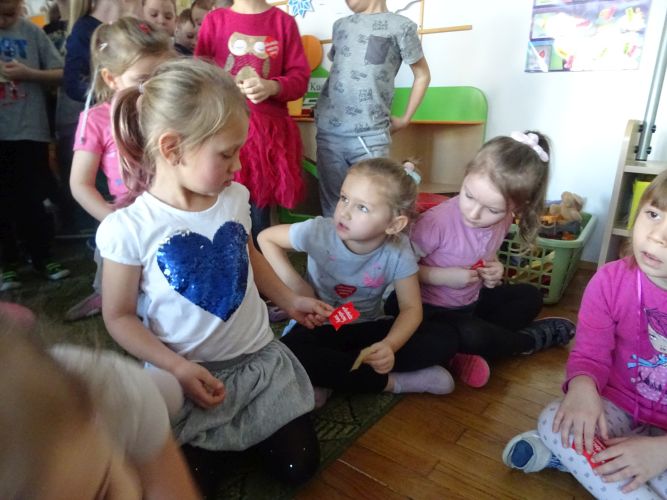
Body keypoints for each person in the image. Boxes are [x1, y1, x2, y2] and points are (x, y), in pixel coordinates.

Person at [97, 58, 332, 495]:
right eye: (226, 154)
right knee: (190, 485)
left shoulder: (234, 197)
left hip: (257, 363)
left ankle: (243, 432)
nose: (238, 166)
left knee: (299, 466)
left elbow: (246, 254)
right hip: (188, 376)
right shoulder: (128, 229)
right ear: (173, 148)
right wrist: (177, 367)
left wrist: (288, 298)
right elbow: (119, 316)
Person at [502, 170, 667, 499]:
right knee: (554, 420)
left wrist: (660, 452)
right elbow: (591, 353)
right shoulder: (609, 281)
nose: (657, 236)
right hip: (618, 406)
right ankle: (586, 458)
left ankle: (567, 460)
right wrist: (582, 387)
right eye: (653, 214)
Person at [258, 157, 456, 406]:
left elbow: (411, 309)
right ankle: (394, 382)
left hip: (365, 328)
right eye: (344, 198)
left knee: (445, 338)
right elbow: (266, 239)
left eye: (362, 208)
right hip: (319, 326)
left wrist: (389, 346)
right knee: (289, 352)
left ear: (394, 224)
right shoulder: (318, 231)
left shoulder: (398, 250)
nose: (344, 212)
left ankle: (331, 376)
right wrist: (298, 288)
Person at [405, 131, 575, 388]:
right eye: (469, 195)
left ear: (517, 207)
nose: (473, 213)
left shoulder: (504, 219)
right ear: (466, 175)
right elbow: (398, 269)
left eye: (492, 209)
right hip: (427, 310)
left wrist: (496, 268)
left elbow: (487, 250)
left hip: (470, 303)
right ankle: (525, 342)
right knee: (471, 333)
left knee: (531, 296)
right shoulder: (436, 223)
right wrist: (441, 276)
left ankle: (470, 351)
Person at [0, 326, 200, 500]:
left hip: (129, 394)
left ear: (96, 417)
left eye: (103, 495)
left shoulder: (120, 393)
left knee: (169, 391)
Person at [65, 17, 173, 321]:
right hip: (126, 215)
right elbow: (80, 183)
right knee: (116, 272)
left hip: (170, 211)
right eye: (142, 79)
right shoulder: (96, 119)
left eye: (162, 75)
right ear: (111, 79)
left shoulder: (170, 110)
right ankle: (105, 296)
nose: (152, 87)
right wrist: (113, 221)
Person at [195, 0, 310, 243]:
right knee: (220, 203)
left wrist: (273, 86)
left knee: (258, 210)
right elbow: (199, 74)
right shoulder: (215, 20)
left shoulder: (283, 22)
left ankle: (259, 256)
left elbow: (300, 77)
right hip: (222, 130)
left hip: (266, 138)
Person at [315, 0, 431, 218]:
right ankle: (333, 241)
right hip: (330, 132)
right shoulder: (340, 25)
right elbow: (341, 71)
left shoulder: (401, 27)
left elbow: (422, 75)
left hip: (371, 135)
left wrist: (405, 118)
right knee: (333, 206)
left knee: (373, 206)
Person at [0, 0, 70, 291]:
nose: (4, 21)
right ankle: (7, 264)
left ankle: (43, 256)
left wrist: (28, 74)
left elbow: (61, 72)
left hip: (30, 129)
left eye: (10, 14)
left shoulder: (31, 31)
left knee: (33, 198)